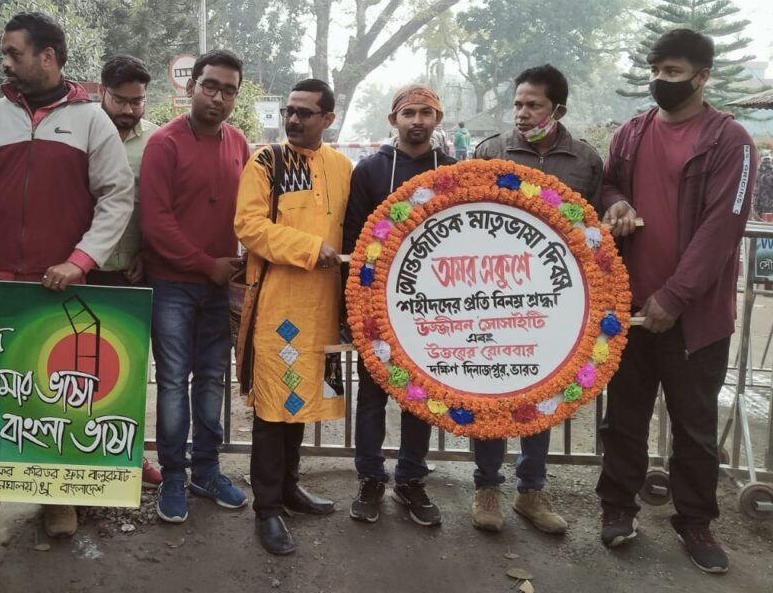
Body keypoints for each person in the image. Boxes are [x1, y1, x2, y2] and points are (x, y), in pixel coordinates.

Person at [0, 12, 134, 539]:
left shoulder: (92, 122)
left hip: (58, 285)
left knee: (56, 392)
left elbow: (116, 198)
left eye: (13, 52)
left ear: (48, 57)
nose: (5, 62)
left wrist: (81, 260)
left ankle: (56, 496)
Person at [596, 29, 755, 574]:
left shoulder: (730, 141)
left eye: (673, 72)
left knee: (694, 427)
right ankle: (618, 507)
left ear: (702, 76)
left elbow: (722, 227)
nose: (660, 80)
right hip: (630, 307)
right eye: (655, 70)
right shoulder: (632, 132)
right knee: (623, 417)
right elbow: (609, 183)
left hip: (696, 316)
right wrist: (617, 203)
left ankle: (695, 521)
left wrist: (675, 296)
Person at [471, 64, 603, 535]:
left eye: (534, 105)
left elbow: (595, 233)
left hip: (554, 303)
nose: (522, 113)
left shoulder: (585, 160)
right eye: (518, 104)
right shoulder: (490, 151)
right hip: (493, 296)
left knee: (541, 391)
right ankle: (487, 487)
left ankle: (532, 490)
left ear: (558, 110)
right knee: (491, 391)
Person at [234, 79, 352, 555]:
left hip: (323, 308)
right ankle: (266, 508)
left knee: (300, 398)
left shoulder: (342, 167)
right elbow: (249, 226)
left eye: (305, 112)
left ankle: (288, 487)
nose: (294, 119)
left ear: (328, 119)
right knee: (272, 406)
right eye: (290, 111)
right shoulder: (267, 161)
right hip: (278, 307)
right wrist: (309, 247)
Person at [139, 49, 251, 523]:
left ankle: (207, 470)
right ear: (191, 87)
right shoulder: (163, 144)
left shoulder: (239, 143)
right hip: (174, 285)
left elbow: (250, 212)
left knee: (211, 379)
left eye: (229, 91)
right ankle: (173, 475)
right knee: (171, 381)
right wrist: (207, 265)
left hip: (220, 287)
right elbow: (156, 223)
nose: (218, 97)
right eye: (210, 86)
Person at [343, 84, 454, 527]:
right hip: (377, 308)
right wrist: (350, 309)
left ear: (437, 119)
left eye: (426, 113)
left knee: (418, 397)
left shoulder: (452, 171)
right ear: (394, 120)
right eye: (409, 113)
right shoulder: (370, 170)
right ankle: (370, 477)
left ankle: (411, 478)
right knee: (371, 397)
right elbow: (353, 241)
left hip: (433, 309)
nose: (417, 121)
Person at [91, 53, 162, 488]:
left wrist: (148, 254)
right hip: (81, 273)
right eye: (121, 100)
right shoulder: (81, 130)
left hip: (131, 275)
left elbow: (159, 205)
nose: (129, 109)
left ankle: (131, 456)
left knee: (129, 371)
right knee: (78, 370)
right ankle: (80, 457)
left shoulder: (155, 141)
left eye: (138, 101)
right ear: (103, 92)